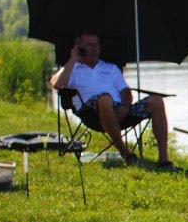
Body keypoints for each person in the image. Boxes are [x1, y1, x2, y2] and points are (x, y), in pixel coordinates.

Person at [50, 32, 171, 167]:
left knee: (156, 101)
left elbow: (125, 91)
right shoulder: (72, 69)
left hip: (120, 111)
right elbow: (57, 84)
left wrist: (125, 107)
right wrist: (73, 59)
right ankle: (126, 153)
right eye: (89, 45)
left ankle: (164, 159)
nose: (94, 48)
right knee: (105, 98)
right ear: (78, 47)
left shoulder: (110, 68)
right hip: (91, 112)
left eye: (97, 44)